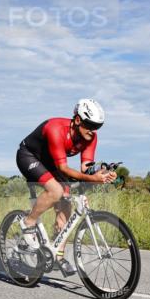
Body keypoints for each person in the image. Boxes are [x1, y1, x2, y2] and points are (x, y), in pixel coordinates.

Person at [15, 99, 116, 276]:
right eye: (90, 125)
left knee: (67, 202)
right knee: (56, 191)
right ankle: (28, 222)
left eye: (97, 127)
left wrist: (102, 173)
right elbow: (63, 169)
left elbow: (86, 168)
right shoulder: (56, 129)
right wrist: (92, 178)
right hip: (29, 156)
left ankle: (57, 254)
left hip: (51, 162)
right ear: (77, 120)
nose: (93, 130)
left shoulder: (90, 137)